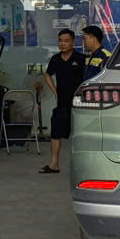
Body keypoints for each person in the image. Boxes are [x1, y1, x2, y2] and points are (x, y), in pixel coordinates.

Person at [39, 28, 85, 174]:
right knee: (55, 133)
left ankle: (83, 167)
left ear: (73, 42)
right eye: (60, 41)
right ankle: (54, 165)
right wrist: (55, 92)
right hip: (62, 103)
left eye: (66, 41)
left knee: (79, 135)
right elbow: (47, 75)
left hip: (79, 103)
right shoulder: (56, 59)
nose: (63, 44)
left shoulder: (81, 59)